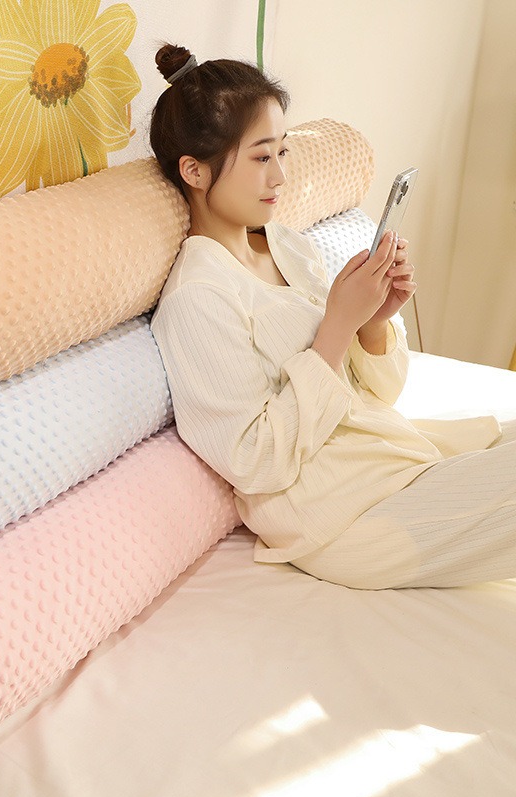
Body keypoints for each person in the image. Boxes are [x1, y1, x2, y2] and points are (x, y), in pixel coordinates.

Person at [149, 44, 515, 590]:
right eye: (260, 158)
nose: (280, 177)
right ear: (194, 171)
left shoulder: (289, 248)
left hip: (398, 463)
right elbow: (255, 461)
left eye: (282, 152)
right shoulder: (198, 298)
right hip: (349, 517)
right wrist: (338, 325)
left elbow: (381, 394)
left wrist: (373, 322)